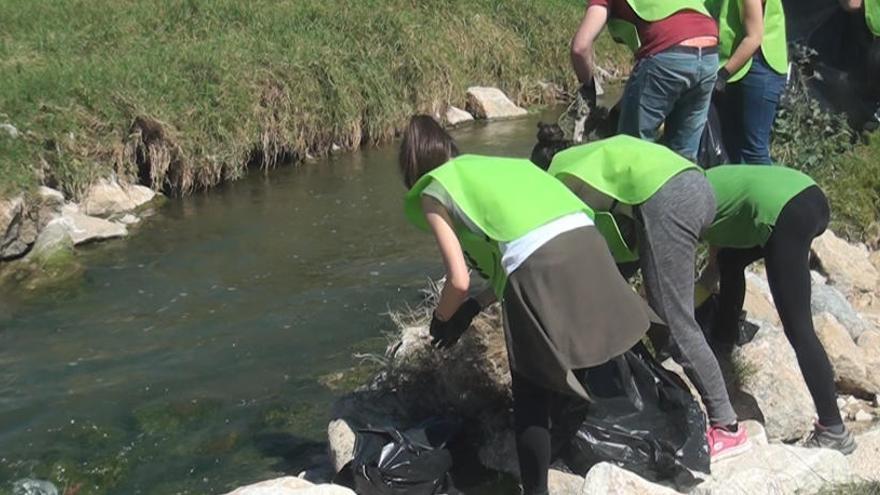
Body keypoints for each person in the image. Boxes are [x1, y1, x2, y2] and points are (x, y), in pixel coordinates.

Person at [400, 115, 657, 495]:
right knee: (574, 357)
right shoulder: (496, 168)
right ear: (451, 146)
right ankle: (570, 443)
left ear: (412, 166)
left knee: (531, 393)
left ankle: (536, 490)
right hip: (589, 242)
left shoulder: (433, 190)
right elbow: (517, 242)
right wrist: (475, 307)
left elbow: (458, 279)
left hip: (541, 260)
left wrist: (442, 319)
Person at [532, 132, 749, 461]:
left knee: (676, 325)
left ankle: (728, 426)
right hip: (694, 184)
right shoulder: (583, 159)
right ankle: (647, 389)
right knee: (635, 303)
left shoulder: (555, 177)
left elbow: (563, 246)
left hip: (665, 199)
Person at [703, 165, 856, 454]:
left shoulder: (682, 206)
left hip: (787, 212)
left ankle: (834, 429)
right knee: (731, 261)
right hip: (809, 194)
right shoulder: (704, 183)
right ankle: (725, 337)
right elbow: (718, 261)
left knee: (798, 327)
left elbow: (705, 274)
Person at [570, 0, 719, 161]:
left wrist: (588, 86)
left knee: (632, 151)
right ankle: (685, 183)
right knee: (684, 155)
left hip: (668, 51)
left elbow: (580, 47)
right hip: (709, 52)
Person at [709, 0, 790, 164]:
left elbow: (754, 37)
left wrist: (722, 75)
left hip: (759, 65)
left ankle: (770, 189)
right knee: (731, 145)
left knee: (754, 151)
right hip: (737, 66)